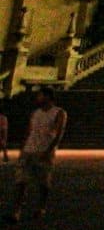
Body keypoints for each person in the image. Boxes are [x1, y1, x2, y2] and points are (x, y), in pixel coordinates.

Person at [9, 88, 67, 223]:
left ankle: (41, 207)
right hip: (29, 150)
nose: (37, 98)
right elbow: (30, 131)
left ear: (48, 97)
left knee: (43, 182)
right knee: (21, 181)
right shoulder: (35, 113)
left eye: (40, 95)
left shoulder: (59, 113)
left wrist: (49, 151)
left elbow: (59, 133)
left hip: (44, 151)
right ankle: (17, 211)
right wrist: (22, 149)